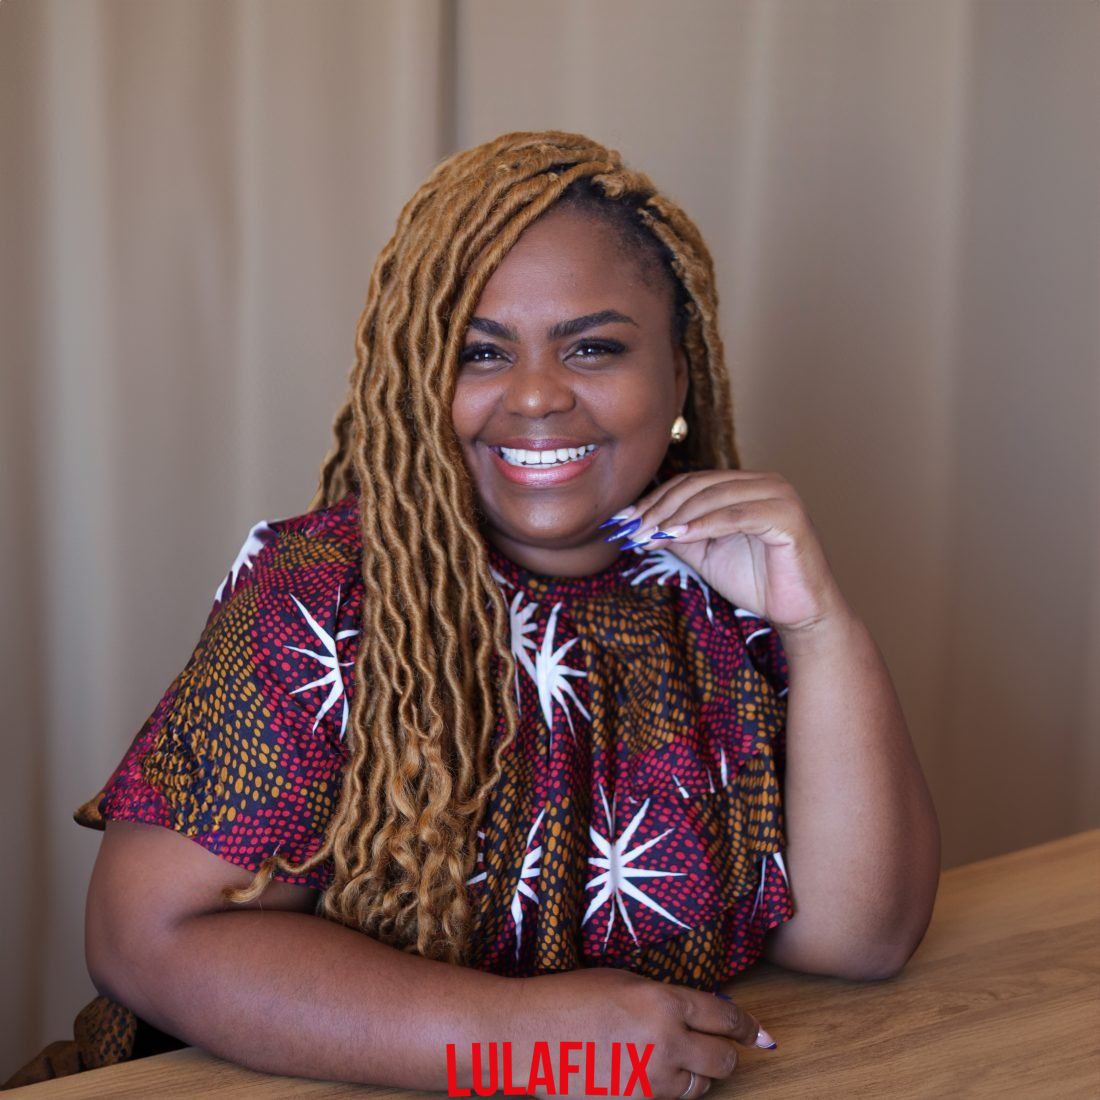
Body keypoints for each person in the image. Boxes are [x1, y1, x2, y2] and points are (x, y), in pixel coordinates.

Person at [62, 131, 937, 1098]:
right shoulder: (322, 594)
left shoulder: (724, 585)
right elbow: (146, 938)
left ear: (679, 377)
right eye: (480, 353)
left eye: (593, 347)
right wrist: (527, 1043)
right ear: (416, 382)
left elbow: (859, 938)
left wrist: (819, 630)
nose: (535, 395)